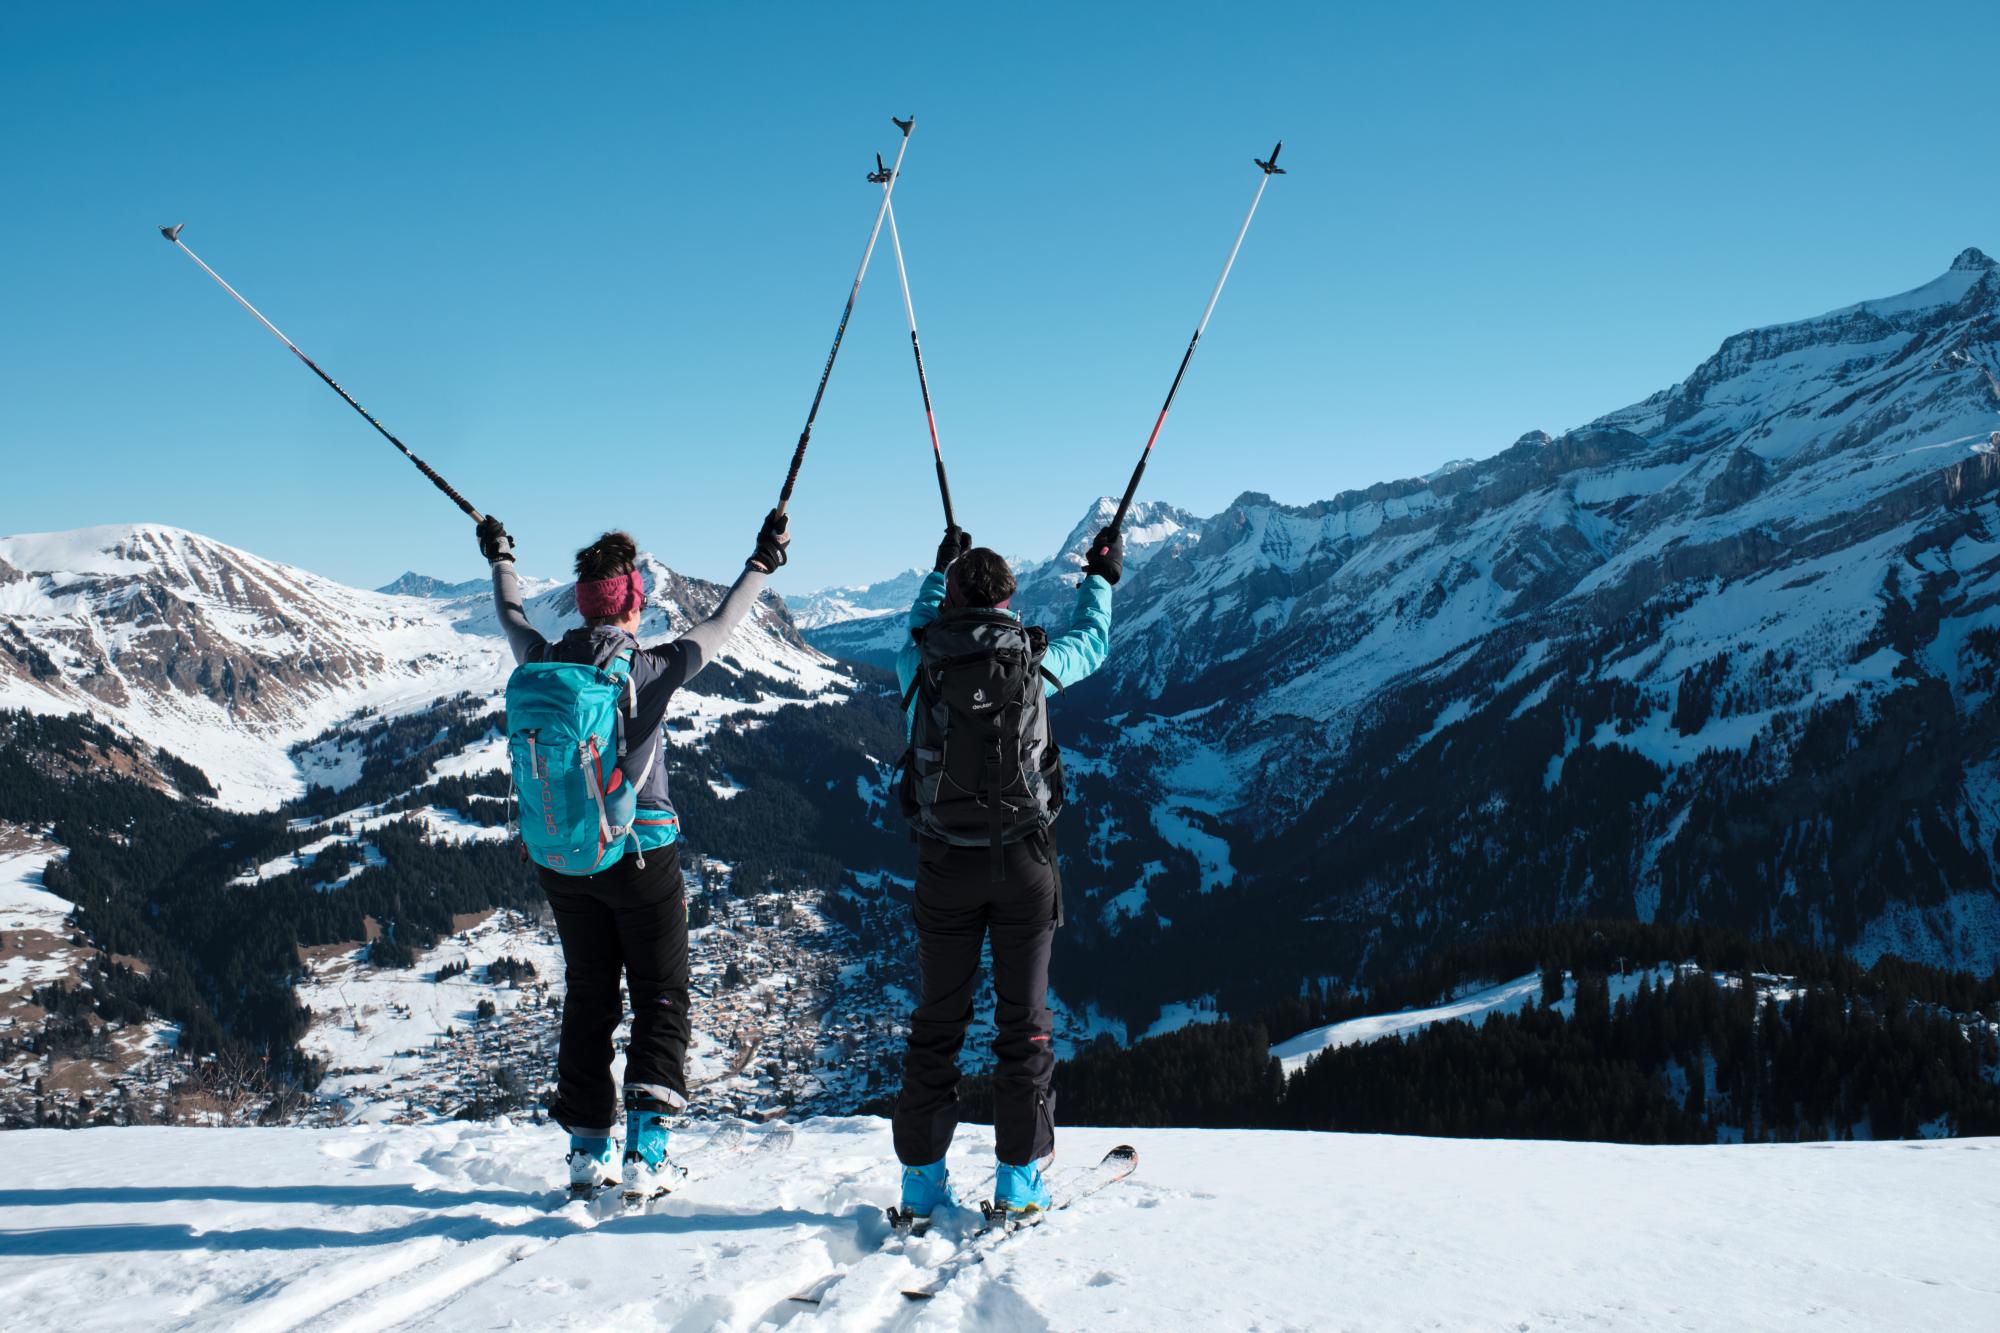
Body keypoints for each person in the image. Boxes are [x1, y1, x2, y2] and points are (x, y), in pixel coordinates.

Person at [476, 508, 790, 1198]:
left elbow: (511, 614)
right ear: (635, 603)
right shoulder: (647, 669)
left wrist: (501, 555)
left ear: (581, 602)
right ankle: (648, 1154)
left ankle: (589, 1153)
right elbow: (722, 625)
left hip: (564, 862)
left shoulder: (545, 661)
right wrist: (763, 562)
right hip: (642, 857)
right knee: (659, 992)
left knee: (590, 992)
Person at [889, 521, 1121, 1227]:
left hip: (943, 863)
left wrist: (938, 571)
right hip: (1024, 859)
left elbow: (918, 623)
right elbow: (1095, 641)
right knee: (1024, 1024)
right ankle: (1018, 1181)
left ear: (952, 598)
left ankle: (923, 1186)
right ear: (1011, 604)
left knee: (938, 1021)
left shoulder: (919, 663)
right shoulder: (1034, 660)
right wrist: (1102, 578)